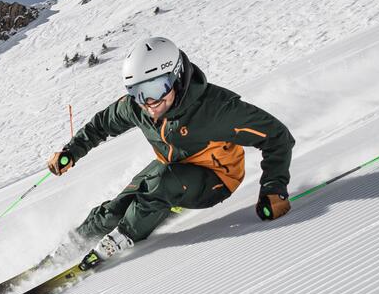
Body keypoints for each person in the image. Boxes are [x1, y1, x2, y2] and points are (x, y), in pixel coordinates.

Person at [47, 36, 296, 260]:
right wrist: (71, 151)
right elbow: (101, 124)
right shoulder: (137, 107)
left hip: (217, 178)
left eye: (156, 89)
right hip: (171, 166)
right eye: (138, 92)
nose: (149, 103)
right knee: (116, 208)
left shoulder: (214, 109)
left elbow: (277, 136)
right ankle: (73, 245)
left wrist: (274, 188)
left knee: (160, 186)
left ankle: (120, 239)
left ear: (176, 77)